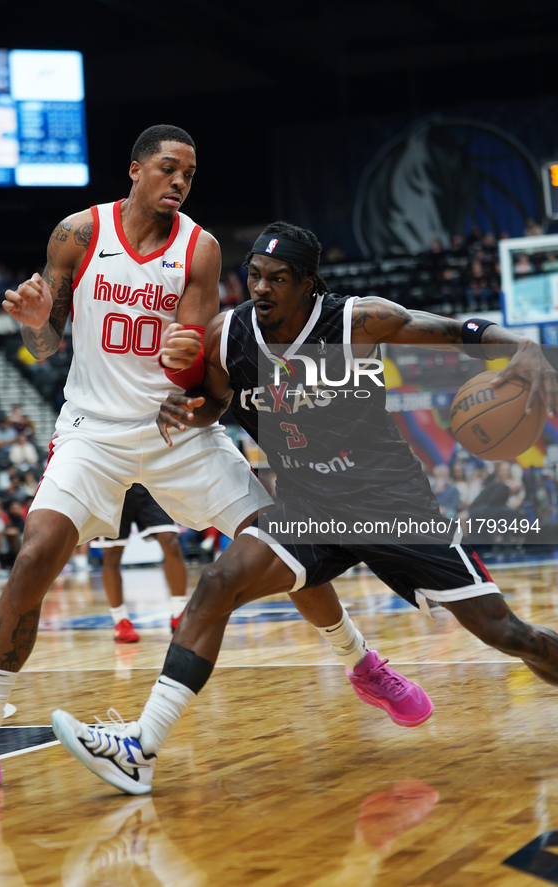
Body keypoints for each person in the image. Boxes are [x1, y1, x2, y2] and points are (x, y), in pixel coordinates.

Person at [0, 131, 428, 794]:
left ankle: (361, 662)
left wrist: (186, 353)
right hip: (92, 432)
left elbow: (195, 360)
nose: (179, 181)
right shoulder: (77, 232)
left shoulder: (200, 247)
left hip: (175, 427)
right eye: (167, 168)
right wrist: (39, 323)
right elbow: (45, 347)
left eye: (189, 173)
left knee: (276, 540)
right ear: (135, 169)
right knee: (36, 552)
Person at [51, 221, 558, 797]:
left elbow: (448, 329)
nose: (260, 289)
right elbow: (214, 404)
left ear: (309, 284)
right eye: (255, 276)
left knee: (505, 633)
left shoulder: (356, 320)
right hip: (308, 507)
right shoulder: (226, 335)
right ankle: (140, 748)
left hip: (389, 505)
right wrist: (185, 412)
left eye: (278, 279)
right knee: (217, 583)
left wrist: (522, 347)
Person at [98, 483, 189, 642]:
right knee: (112, 554)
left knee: (170, 541)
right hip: (113, 486)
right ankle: (120, 621)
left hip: (148, 483)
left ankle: (179, 613)